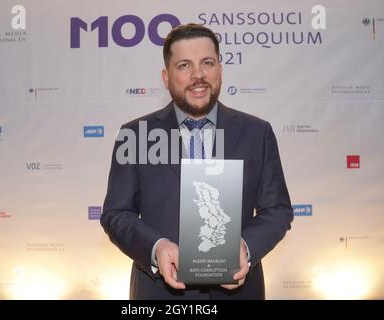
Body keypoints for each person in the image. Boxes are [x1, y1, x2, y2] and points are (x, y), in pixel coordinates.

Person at [101, 23, 293, 300]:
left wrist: (245, 248)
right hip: (159, 294)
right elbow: (116, 214)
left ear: (221, 70)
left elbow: (277, 209)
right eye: (184, 66)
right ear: (166, 78)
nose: (198, 75)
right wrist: (156, 248)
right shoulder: (135, 135)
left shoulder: (257, 133)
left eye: (207, 63)